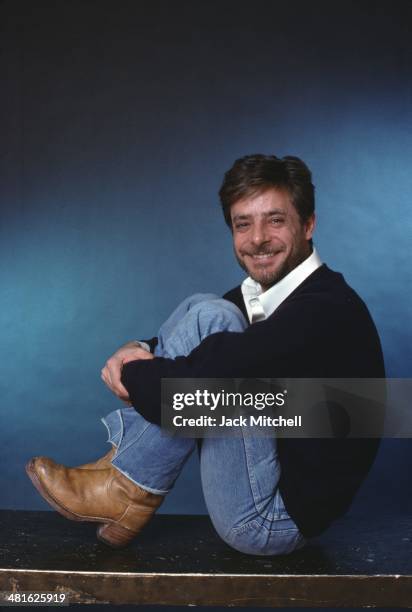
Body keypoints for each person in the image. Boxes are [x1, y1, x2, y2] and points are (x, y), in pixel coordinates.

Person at [26, 154, 385, 554]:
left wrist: (131, 373)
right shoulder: (268, 297)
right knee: (206, 305)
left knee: (213, 321)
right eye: (242, 224)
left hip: (270, 519)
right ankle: (120, 476)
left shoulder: (326, 307)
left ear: (309, 224)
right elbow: (197, 361)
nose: (258, 238)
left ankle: (127, 487)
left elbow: (195, 382)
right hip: (265, 483)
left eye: (275, 220)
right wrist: (140, 348)